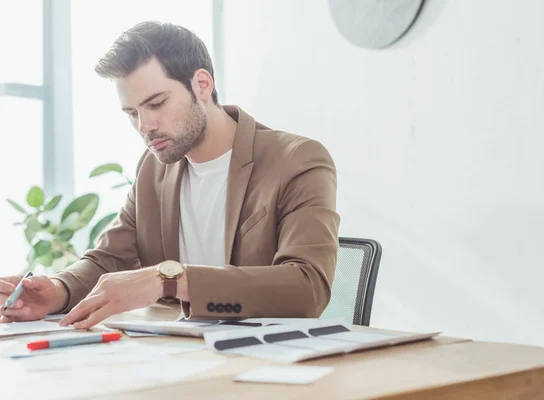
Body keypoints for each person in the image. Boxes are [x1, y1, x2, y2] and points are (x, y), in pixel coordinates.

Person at [0, 21, 340, 329]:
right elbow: (110, 259)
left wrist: (170, 280)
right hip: (178, 355)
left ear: (202, 85)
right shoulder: (153, 169)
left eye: (157, 103)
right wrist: (56, 291)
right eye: (132, 114)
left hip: (268, 363)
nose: (144, 126)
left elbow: (307, 288)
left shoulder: (296, 160)